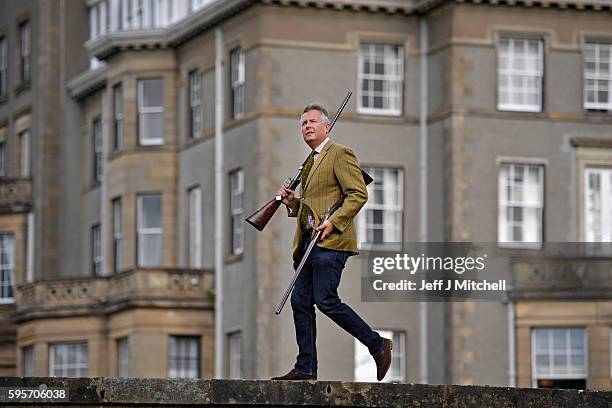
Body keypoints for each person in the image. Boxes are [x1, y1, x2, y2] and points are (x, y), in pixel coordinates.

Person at [271, 103, 393, 381]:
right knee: (300, 302)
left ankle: (378, 345)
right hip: (307, 244)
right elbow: (313, 206)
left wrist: (334, 222)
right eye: (303, 123)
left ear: (327, 127)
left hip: (330, 242)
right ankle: (306, 368)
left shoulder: (340, 154)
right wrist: (293, 203)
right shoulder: (311, 162)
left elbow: (357, 194)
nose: (307, 126)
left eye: (313, 121)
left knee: (325, 300)